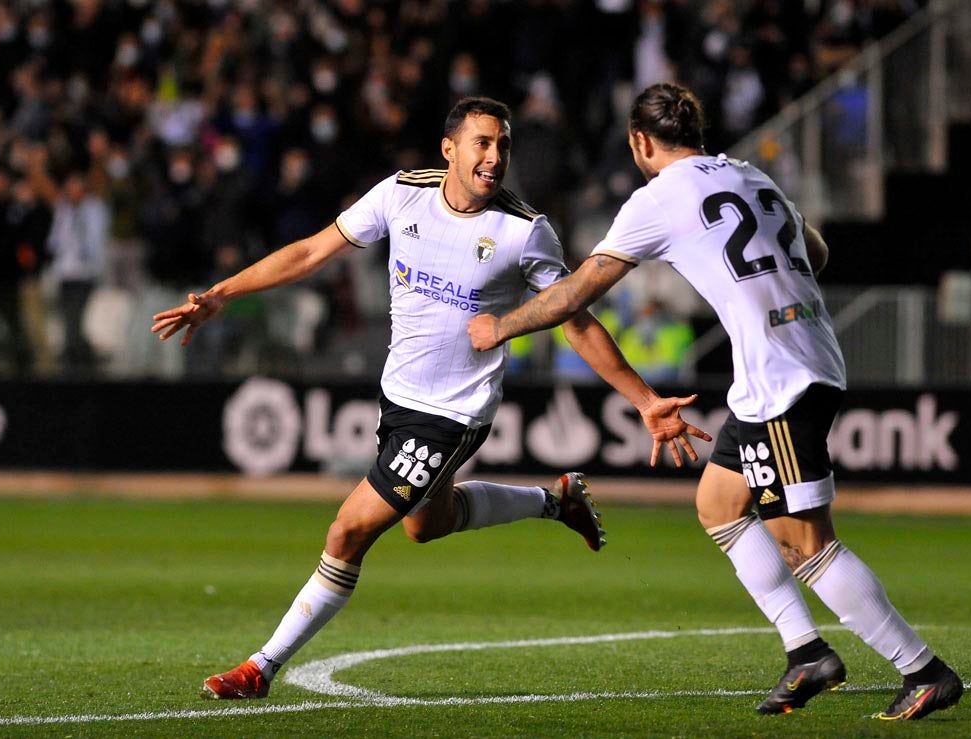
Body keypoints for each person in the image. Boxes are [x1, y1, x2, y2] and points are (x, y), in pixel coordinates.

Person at [152, 96, 708, 700]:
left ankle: (261, 667)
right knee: (426, 525)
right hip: (399, 398)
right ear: (450, 148)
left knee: (347, 532)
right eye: (483, 143)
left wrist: (644, 398)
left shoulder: (524, 230)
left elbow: (575, 318)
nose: (495, 157)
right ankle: (557, 501)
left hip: (454, 413)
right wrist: (221, 293)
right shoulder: (401, 193)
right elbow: (313, 250)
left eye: (503, 146)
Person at [469, 83, 963, 721]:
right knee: (720, 503)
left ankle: (922, 670)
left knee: (805, 543)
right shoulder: (749, 173)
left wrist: (500, 326)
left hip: (782, 377)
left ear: (640, 141)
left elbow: (574, 294)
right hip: (794, 361)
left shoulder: (659, 198)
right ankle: (805, 653)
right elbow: (816, 251)